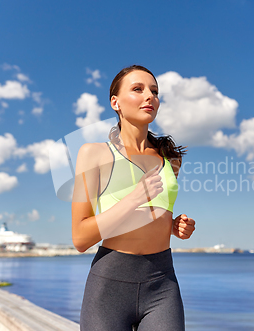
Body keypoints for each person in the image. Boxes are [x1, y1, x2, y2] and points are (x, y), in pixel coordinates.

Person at [72, 64, 196, 331]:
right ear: (115, 102)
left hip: (162, 283)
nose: (149, 96)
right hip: (109, 286)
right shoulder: (93, 154)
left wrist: (174, 225)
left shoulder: (170, 159)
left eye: (154, 91)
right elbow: (81, 238)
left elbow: (156, 213)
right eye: (138, 89)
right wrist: (133, 199)